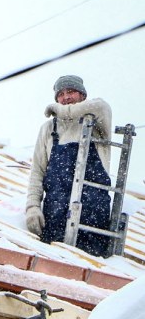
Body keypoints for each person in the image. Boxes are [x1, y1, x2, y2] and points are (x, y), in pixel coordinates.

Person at [25, 75, 113, 257]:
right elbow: (37, 172)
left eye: (71, 92)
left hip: (92, 213)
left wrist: (58, 110)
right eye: (61, 94)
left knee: (87, 269)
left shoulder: (96, 119)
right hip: (56, 212)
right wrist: (32, 207)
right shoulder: (48, 129)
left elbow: (101, 105)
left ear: (83, 96)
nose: (65, 98)